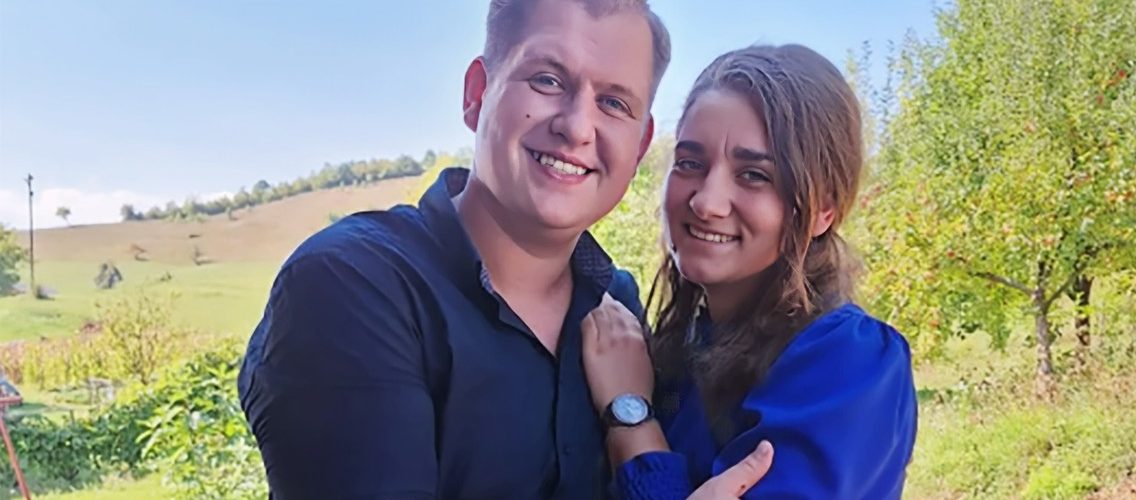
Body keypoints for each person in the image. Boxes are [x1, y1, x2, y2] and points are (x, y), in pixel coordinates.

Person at [236, 1, 770, 498]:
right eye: (547, 80)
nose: (577, 126)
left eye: (613, 103)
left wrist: (631, 420)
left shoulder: (617, 307)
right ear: (477, 94)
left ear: (639, 146)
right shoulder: (354, 288)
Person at [581, 44, 920, 499]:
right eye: (690, 164)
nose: (706, 202)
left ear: (823, 209)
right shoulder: (679, 345)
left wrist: (631, 418)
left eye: (754, 175)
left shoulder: (850, 366)